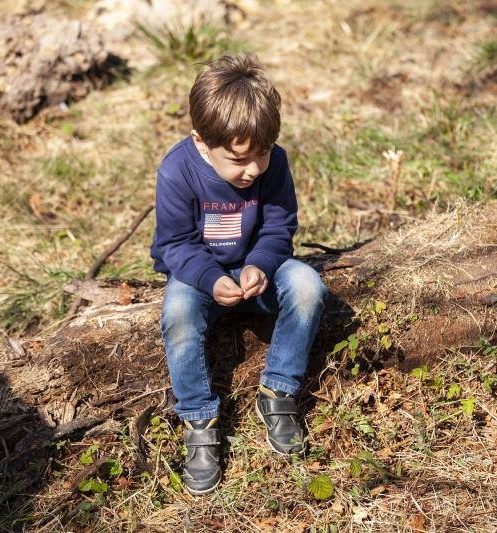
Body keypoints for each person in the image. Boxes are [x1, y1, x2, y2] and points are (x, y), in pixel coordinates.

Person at [149, 53, 327, 495]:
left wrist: (260, 265)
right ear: (202, 143)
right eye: (238, 160)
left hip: (254, 270)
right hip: (199, 275)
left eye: (262, 155)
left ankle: (279, 391)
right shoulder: (177, 171)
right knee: (178, 316)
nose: (252, 170)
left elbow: (279, 225)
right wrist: (211, 280)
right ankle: (198, 418)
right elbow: (176, 245)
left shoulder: (274, 164)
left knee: (307, 286)